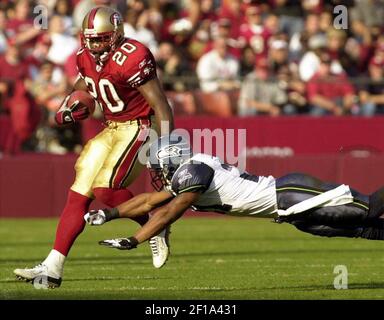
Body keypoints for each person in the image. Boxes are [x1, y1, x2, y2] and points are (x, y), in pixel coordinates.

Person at [14, 7, 174, 288]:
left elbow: (161, 105)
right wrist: (71, 104)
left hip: (139, 125)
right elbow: (84, 85)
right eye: (91, 39)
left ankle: (156, 223)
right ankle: (52, 267)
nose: (94, 45)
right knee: (78, 194)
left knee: (105, 189)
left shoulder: (133, 56)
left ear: (115, 36)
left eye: (101, 39)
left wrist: (164, 145)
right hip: (111, 127)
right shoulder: (84, 56)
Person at [84, 134, 384, 254]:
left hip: (289, 195)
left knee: (367, 210)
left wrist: (136, 239)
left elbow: (170, 211)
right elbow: (150, 201)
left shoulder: (193, 172)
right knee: (359, 229)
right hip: (287, 211)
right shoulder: (188, 171)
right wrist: (109, 214)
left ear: (171, 159)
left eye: (159, 167)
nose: (158, 173)